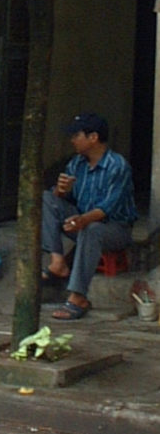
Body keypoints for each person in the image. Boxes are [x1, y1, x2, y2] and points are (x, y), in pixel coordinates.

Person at [42, 112, 137, 321]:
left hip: (115, 228)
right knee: (47, 199)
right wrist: (60, 190)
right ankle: (57, 260)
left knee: (91, 229)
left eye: (77, 135)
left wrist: (82, 220)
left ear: (93, 137)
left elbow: (106, 209)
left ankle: (78, 296)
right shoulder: (77, 163)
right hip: (83, 220)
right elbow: (65, 198)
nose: (72, 140)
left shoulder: (117, 166)